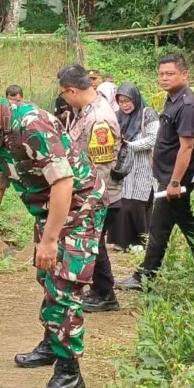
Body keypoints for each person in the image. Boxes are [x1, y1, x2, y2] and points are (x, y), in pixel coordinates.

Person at [0, 75, 104, 388]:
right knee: (46, 276)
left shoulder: (32, 124)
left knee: (64, 284)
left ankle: (69, 371)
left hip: (77, 205)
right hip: (50, 211)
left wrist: (48, 241)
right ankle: (52, 343)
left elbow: (64, 183)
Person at [119, 53, 194, 290]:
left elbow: (186, 147)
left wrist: (175, 181)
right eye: (161, 74)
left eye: (170, 74)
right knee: (184, 220)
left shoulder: (187, 105)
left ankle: (145, 275)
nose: (164, 78)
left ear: (184, 75)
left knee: (158, 226)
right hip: (168, 176)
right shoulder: (173, 99)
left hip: (176, 178)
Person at [57, 64, 121, 313]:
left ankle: (105, 294)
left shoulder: (98, 118)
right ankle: (98, 290)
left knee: (95, 243)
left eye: (63, 94)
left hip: (99, 192)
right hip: (91, 191)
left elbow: (101, 165)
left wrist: (89, 197)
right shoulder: (86, 111)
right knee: (94, 241)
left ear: (72, 91)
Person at [107, 82, 159, 253]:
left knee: (138, 203)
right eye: (121, 101)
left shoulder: (148, 114)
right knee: (123, 203)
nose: (124, 105)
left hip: (143, 167)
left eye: (127, 101)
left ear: (135, 98)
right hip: (124, 167)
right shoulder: (117, 116)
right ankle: (122, 240)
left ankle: (140, 239)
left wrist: (130, 145)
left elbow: (154, 139)